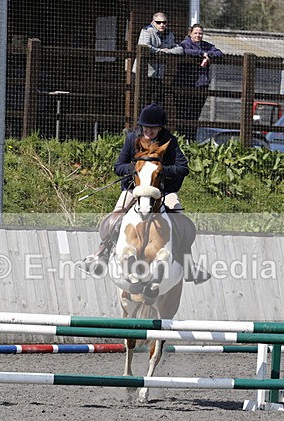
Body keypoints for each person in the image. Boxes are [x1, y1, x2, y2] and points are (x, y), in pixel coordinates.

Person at [83, 103, 210, 284]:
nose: (149, 131)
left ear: (160, 128)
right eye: (146, 127)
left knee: (179, 218)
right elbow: (118, 166)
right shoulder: (132, 138)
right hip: (134, 188)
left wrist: (158, 171)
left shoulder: (169, 141)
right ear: (141, 126)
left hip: (162, 190)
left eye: (153, 128)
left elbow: (183, 168)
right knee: (116, 216)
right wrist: (137, 169)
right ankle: (100, 254)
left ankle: (189, 265)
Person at [175, 24, 223, 140]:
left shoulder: (206, 45)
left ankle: (191, 141)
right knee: (182, 115)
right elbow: (184, 51)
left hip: (201, 86)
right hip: (184, 86)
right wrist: (202, 54)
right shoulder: (184, 44)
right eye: (196, 33)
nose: (198, 35)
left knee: (195, 115)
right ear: (190, 33)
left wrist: (209, 55)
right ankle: (181, 140)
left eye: (200, 33)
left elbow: (219, 53)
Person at [135, 12, 183, 107]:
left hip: (158, 75)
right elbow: (145, 47)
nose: (162, 25)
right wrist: (160, 50)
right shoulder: (146, 31)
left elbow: (180, 49)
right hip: (143, 74)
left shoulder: (169, 34)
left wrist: (167, 51)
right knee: (144, 102)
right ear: (153, 22)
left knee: (158, 102)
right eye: (158, 22)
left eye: (164, 22)